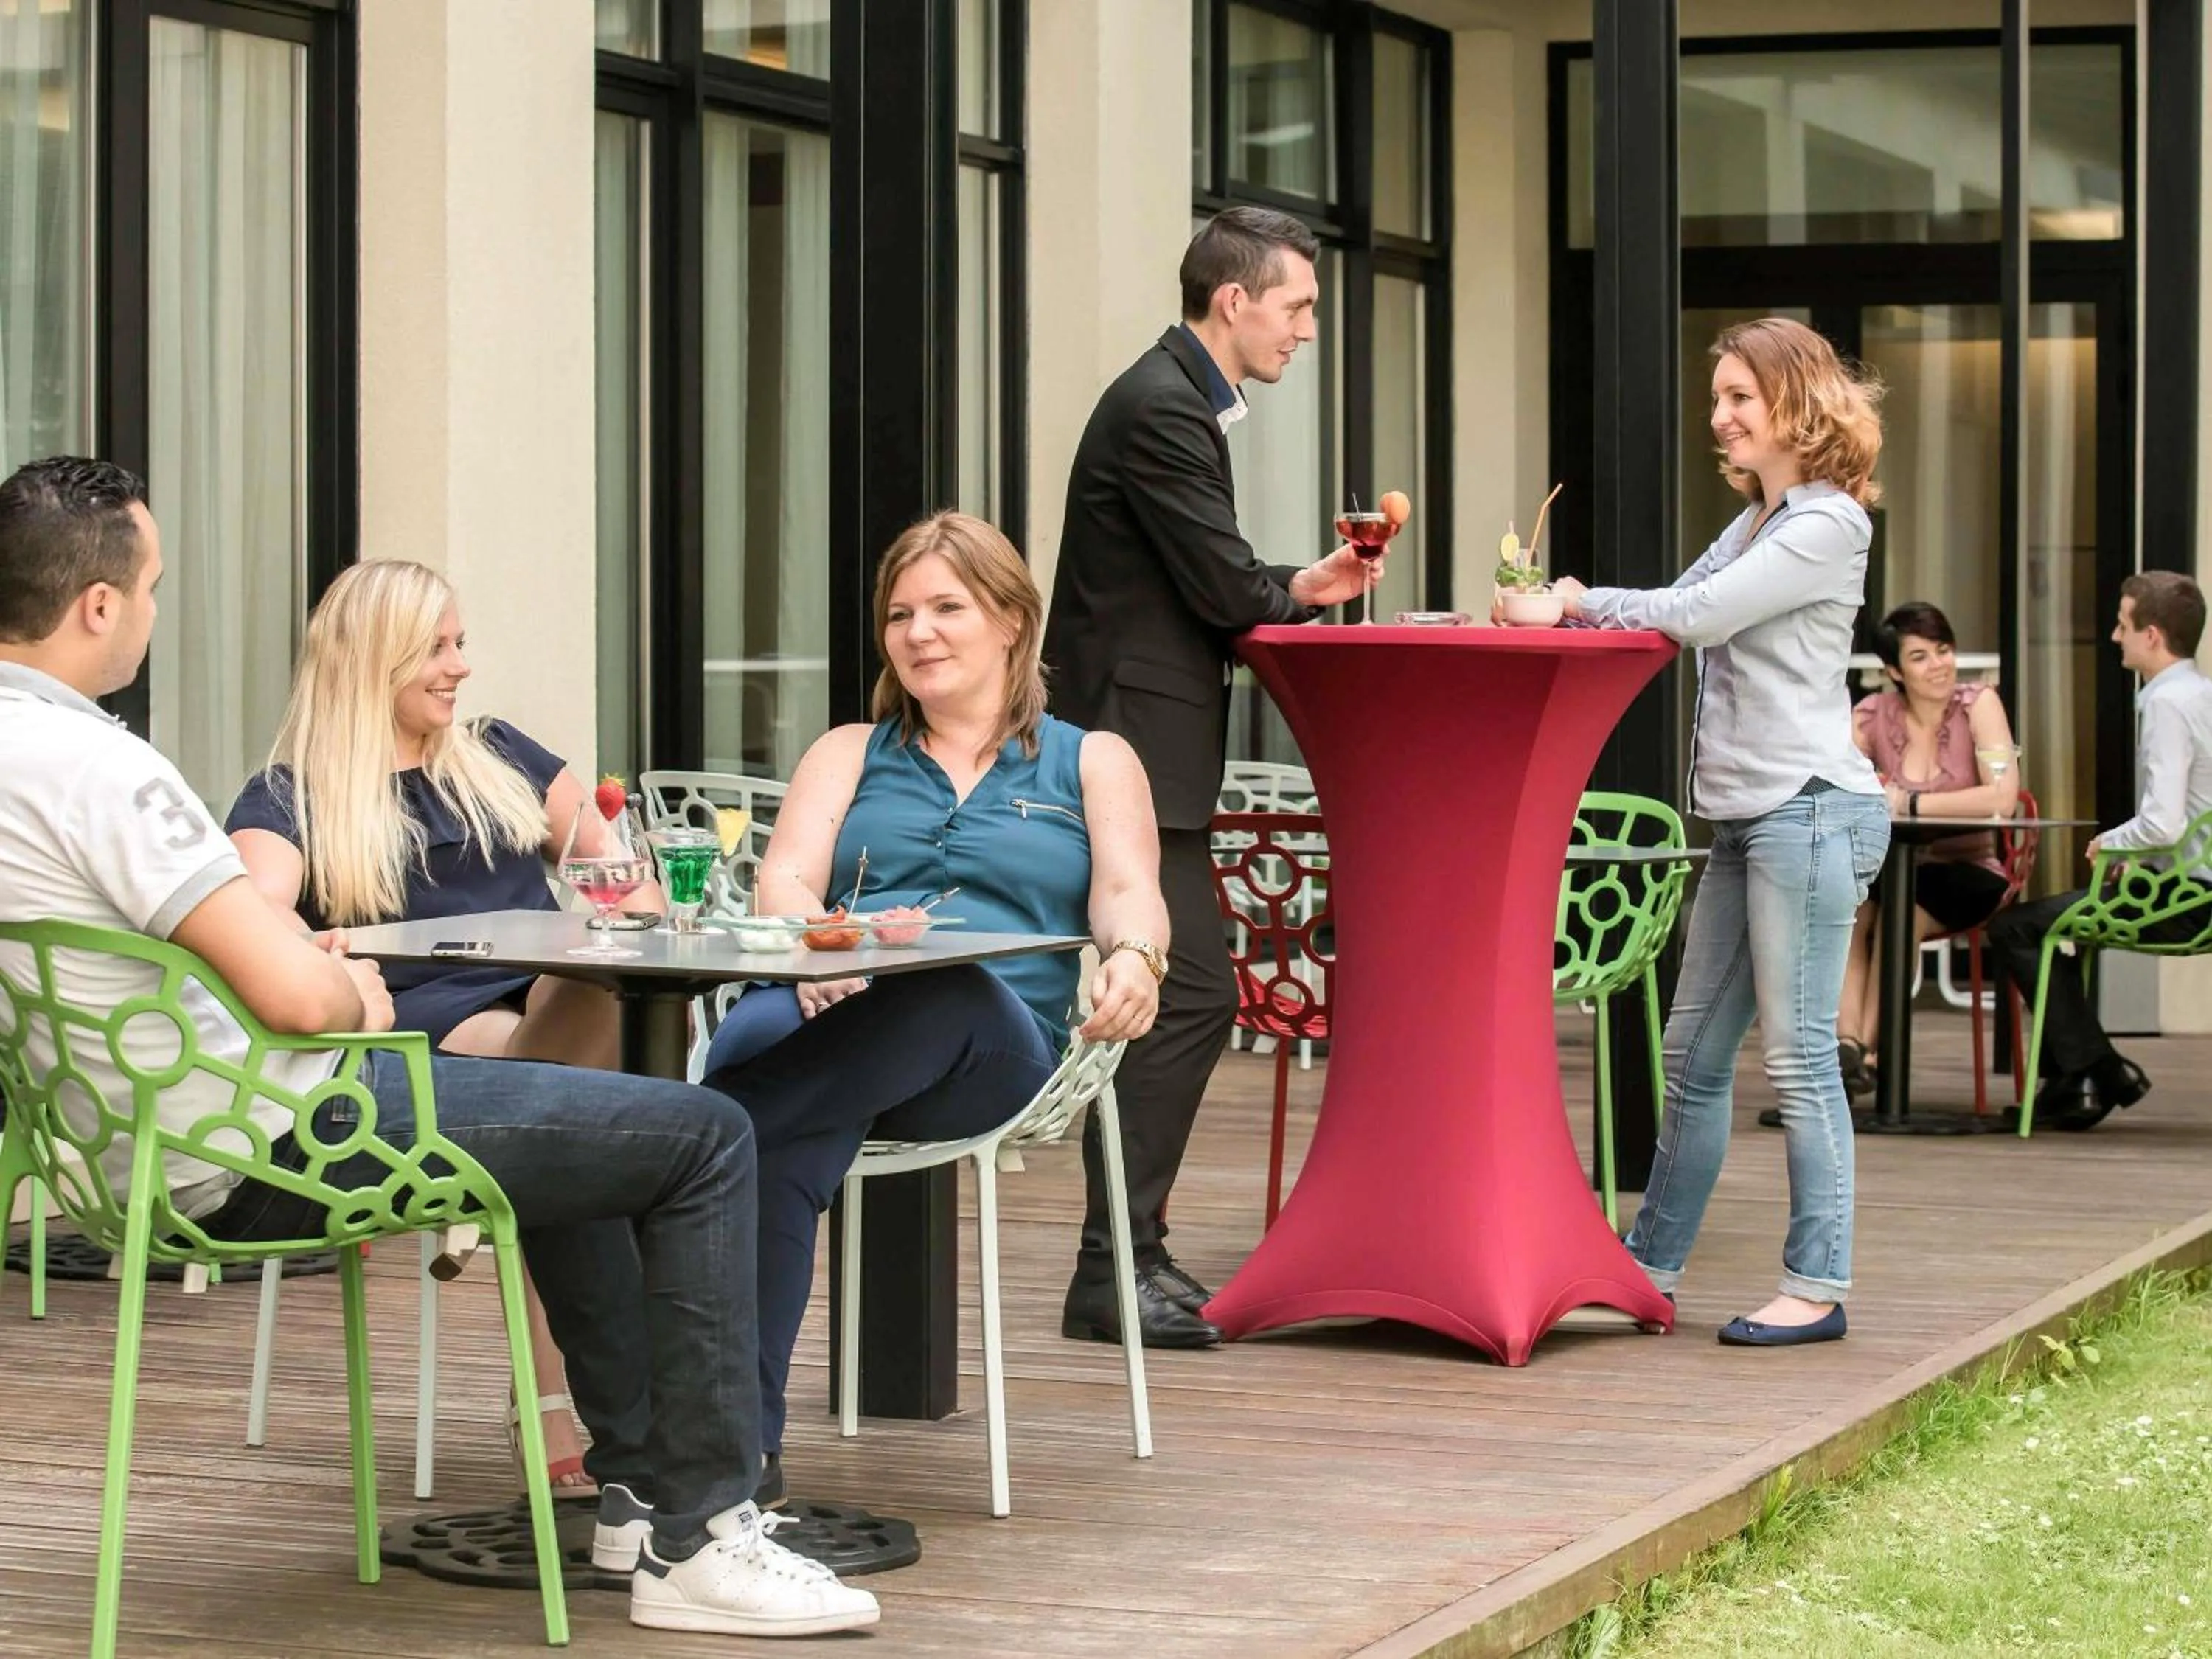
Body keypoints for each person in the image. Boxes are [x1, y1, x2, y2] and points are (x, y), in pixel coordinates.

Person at [0, 456, 877, 1638]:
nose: (156, 612)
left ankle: (640, 1498)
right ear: (98, 604)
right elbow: (296, 992)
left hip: (139, 1151)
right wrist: (357, 1000)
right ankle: (707, 1535)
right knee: (707, 1135)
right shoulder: (104, 769)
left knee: (582, 1131)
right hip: (277, 1134)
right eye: (152, 588)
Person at [695, 510, 1168, 1494]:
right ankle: (735, 1462)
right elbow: (786, 881)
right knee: (763, 1087)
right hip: (831, 1009)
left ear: (1010, 620)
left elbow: (1130, 892)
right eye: (900, 614)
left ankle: (666, 1182)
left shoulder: (1091, 759)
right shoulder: (849, 749)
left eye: (947, 608)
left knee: (913, 1006)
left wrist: (1135, 959)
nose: (919, 633)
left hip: (989, 1044)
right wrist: (815, 941)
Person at [1042, 206, 1385, 1347]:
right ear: (1233, 300)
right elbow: (1227, 592)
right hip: (1131, 751)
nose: (1307, 330)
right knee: (1187, 994)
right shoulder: (1163, 408)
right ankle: (1113, 1267)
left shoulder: (1175, 400)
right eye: (1298, 306)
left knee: (1182, 994)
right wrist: (1285, 592)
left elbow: (1209, 577)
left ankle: (1130, 1254)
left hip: (1144, 744)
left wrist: (1300, 586)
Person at [225, 558, 634, 1498]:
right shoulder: (291, 796)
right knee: (586, 1099)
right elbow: (254, 912)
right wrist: (311, 948)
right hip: (420, 1040)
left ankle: (517, 1229)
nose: (460, 667)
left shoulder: (499, 755)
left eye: (460, 643)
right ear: (373, 658)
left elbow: (617, 872)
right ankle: (583, 1396)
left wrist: (637, 913)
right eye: (435, 649)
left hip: (555, 998)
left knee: (600, 1002)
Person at [1549, 317, 1891, 1349]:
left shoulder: (1827, 523)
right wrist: (1585, 610)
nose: (1721, 417)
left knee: (1799, 1060)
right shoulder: (1756, 522)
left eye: (1740, 397)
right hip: (1750, 816)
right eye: (1719, 398)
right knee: (1691, 1054)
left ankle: (1817, 1286)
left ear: (1795, 402)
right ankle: (1647, 1269)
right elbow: (1683, 599)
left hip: (1810, 810)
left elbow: (1696, 617)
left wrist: (1574, 602)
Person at [1986, 571, 2212, 1130]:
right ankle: (2082, 1080)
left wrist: (2110, 842)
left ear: (2152, 636)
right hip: (2191, 885)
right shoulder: (2201, 694)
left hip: (2187, 898)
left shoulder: (2167, 704)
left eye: (2122, 624)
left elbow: (2162, 822)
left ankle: (2098, 1072)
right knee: (2044, 927)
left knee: (2014, 927)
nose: (2115, 636)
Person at [1833, 601, 2022, 1094]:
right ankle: (1847, 1047)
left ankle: (1864, 1054)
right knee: (1851, 908)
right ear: (1895, 671)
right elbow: (1840, 789)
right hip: (1892, 866)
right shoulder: (1873, 715)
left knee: (1901, 915)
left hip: (1967, 869)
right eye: (1920, 656)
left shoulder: (1979, 705)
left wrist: (1910, 803)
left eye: (1943, 650)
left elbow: (2002, 798)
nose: (1939, 665)